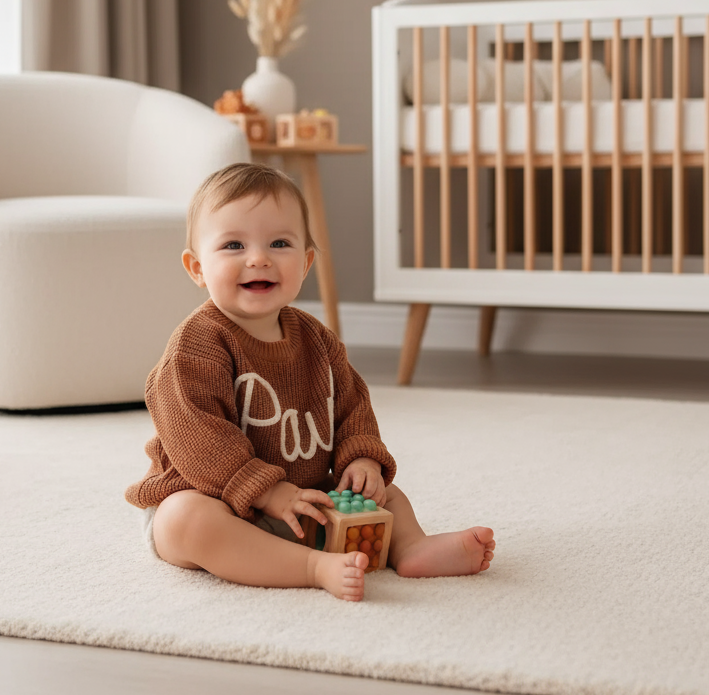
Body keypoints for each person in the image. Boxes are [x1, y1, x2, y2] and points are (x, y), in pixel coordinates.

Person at [125, 162, 494, 601]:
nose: (258, 257)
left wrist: (362, 461)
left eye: (279, 243)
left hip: (304, 499)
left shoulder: (318, 341)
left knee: (382, 493)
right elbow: (197, 437)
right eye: (233, 245)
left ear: (306, 262)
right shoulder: (196, 345)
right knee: (185, 519)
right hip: (216, 498)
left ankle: (411, 547)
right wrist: (266, 491)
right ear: (197, 268)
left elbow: (353, 407)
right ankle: (311, 567)